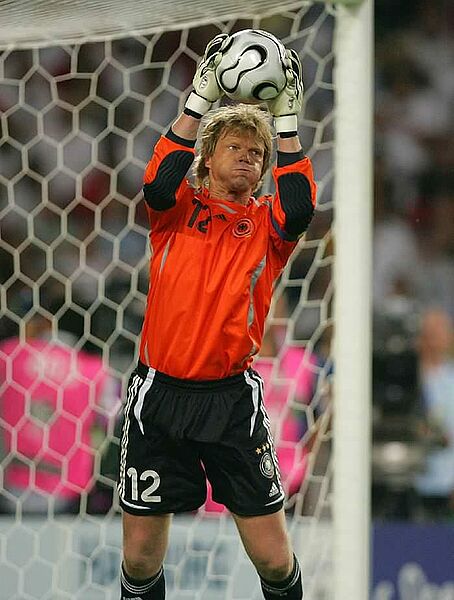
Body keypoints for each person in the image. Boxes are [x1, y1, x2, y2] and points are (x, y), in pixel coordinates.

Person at [117, 33, 316, 600]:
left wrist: (286, 121)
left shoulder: (267, 227)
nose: (249, 157)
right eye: (236, 147)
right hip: (159, 395)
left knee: (274, 560)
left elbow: (299, 207)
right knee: (139, 559)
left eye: (257, 153)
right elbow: (157, 181)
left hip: (230, 402)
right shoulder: (176, 211)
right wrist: (200, 98)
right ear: (207, 157)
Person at [0, 307, 119, 514]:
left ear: (47, 322)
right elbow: (111, 419)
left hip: (12, 482)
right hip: (70, 489)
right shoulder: (97, 371)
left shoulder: (8, 354)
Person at [414, 308, 454, 520]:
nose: (434, 340)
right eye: (429, 333)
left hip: (447, 487)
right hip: (410, 483)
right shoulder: (404, 378)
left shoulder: (451, 380)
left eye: (440, 333)